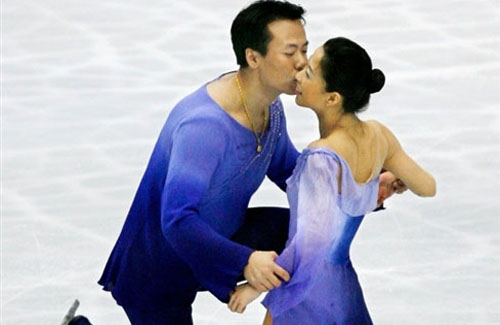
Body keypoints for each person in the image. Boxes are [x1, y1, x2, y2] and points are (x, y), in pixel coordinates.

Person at [98, 1, 405, 323]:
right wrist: (246, 261)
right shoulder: (204, 129)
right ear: (253, 57)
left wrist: (365, 185)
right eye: (290, 53)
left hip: (223, 235)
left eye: (304, 49)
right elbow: (176, 220)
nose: (302, 63)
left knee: (308, 232)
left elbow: (293, 174)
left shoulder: (268, 107)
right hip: (158, 267)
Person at [227, 37, 436, 324]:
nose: (298, 74)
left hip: (305, 287)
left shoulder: (321, 158)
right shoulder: (379, 135)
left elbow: (314, 241)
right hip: (342, 286)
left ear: (332, 98)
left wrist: (256, 285)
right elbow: (427, 187)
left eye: (310, 73)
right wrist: (385, 181)